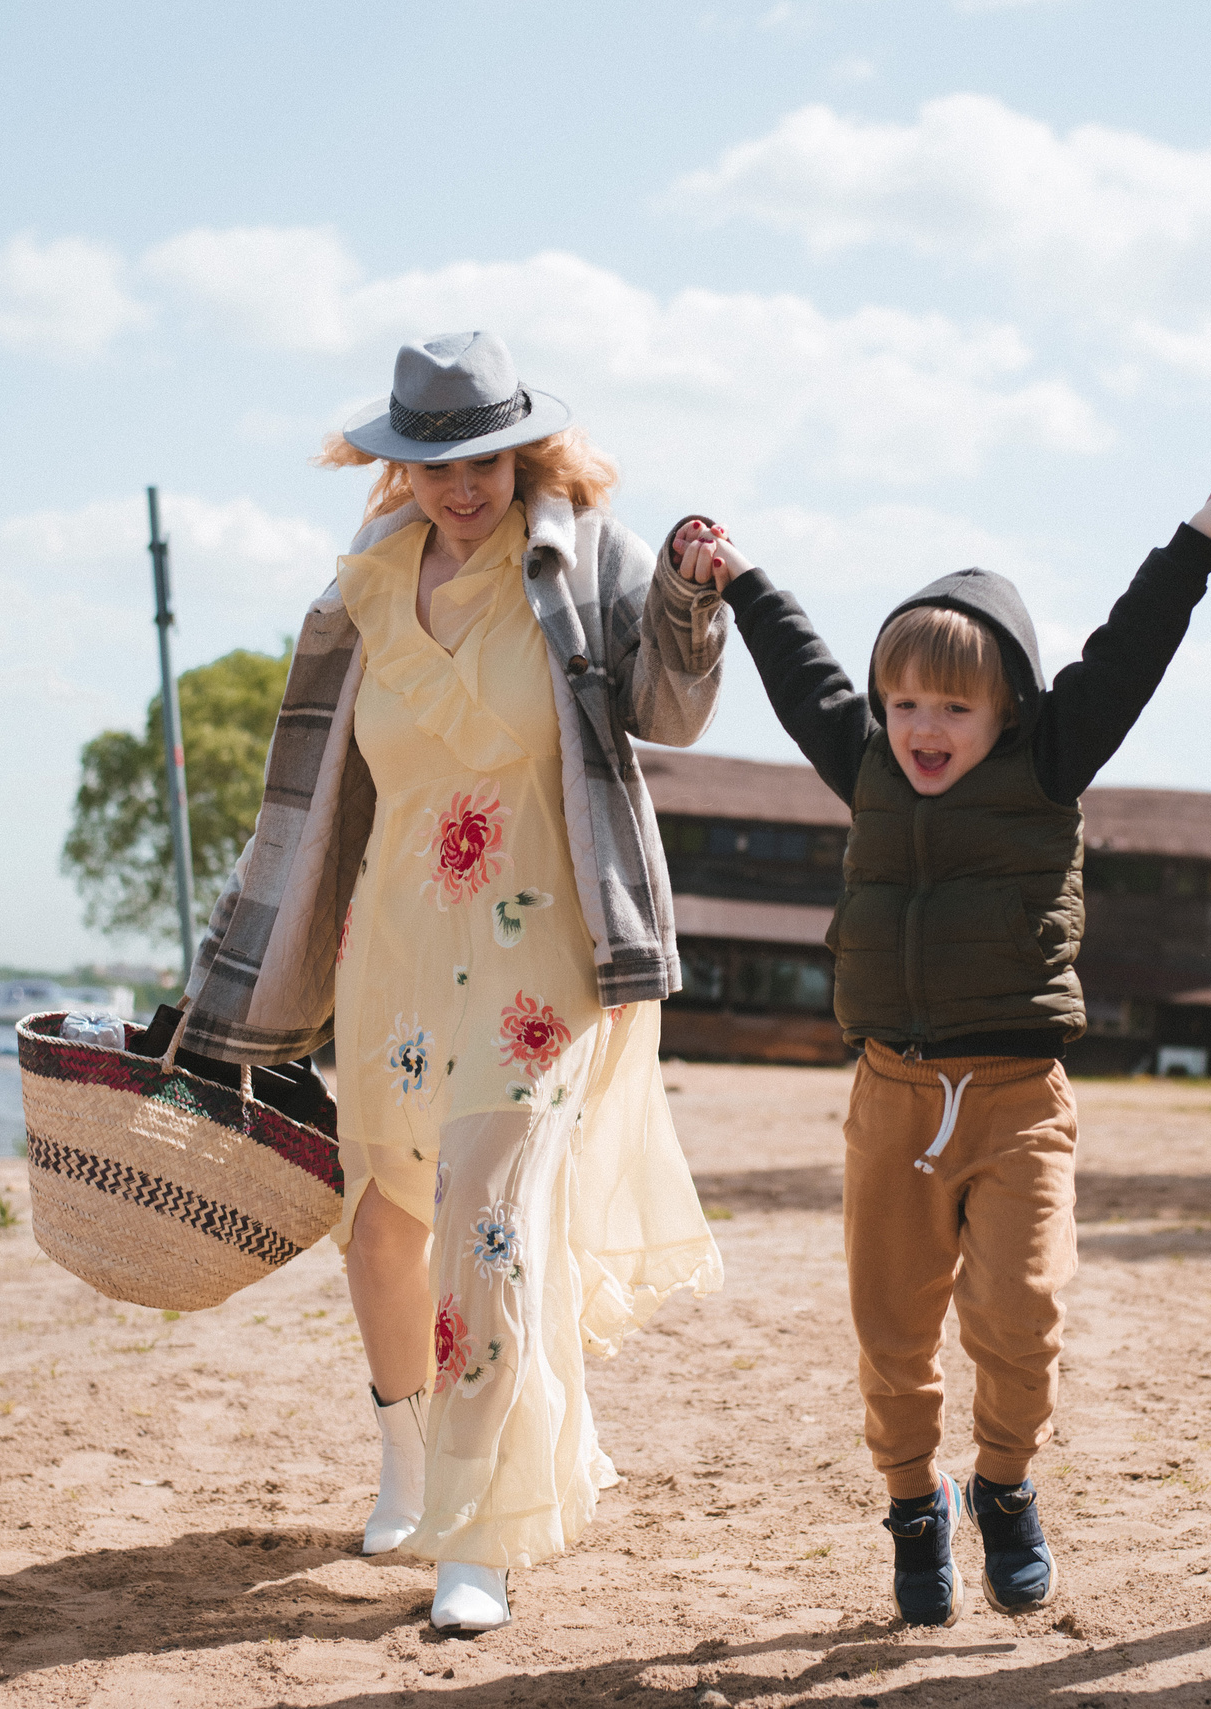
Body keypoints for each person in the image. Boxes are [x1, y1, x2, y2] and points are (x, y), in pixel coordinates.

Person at [175, 331, 735, 1633]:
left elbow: (669, 704)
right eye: (434, 464)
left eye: (480, 459)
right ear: (398, 466)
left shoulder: (580, 555)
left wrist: (693, 602)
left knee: (487, 1214)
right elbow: (306, 797)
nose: (461, 488)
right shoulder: (360, 585)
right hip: (396, 938)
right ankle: (408, 1457)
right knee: (384, 1218)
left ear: (519, 449)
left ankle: (477, 1529)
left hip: (543, 936)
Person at [681, 471, 1211, 1624]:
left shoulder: (1052, 757)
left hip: (1015, 1097)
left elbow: (1135, 640)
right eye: (902, 701)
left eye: (953, 707)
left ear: (1007, 705)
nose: (922, 727)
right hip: (893, 1093)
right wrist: (741, 575)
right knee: (891, 1325)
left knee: (1021, 1310)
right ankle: (915, 1504)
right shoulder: (861, 758)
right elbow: (800, 662)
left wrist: (1206, 531)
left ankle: (1002, 1483)